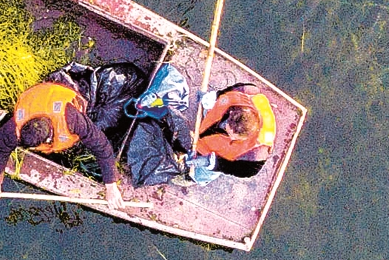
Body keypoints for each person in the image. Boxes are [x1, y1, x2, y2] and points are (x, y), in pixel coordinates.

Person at [116, 65, 279, 189]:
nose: (226, 130)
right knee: (209, 113)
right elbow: (230, 92)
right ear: (234, 112)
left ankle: (192, 178)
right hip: (220, 117)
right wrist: (215, 96)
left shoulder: (255, 155)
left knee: (204, 172)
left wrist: (213, 163)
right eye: (228, 125)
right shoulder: (245, 93)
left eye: (232, 135)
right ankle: (205, 127)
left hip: (216, 156)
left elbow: (243, 171)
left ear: (242, 137)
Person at [0, 75, 124, 203]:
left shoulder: (71, 119)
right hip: (42, 97)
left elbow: (101, 146)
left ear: (49, 137)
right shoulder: (15, 128)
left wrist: (111, 185)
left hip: (68, 97)